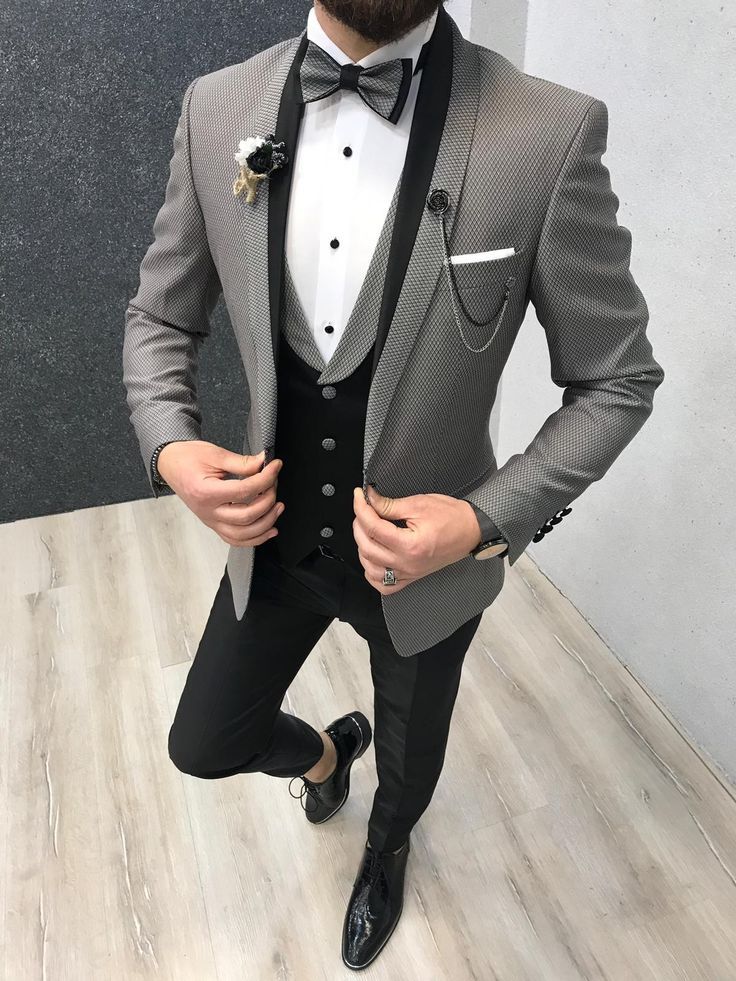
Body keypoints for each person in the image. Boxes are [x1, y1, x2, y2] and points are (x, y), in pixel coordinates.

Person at [122, 0, 665, 969]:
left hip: (429, 571)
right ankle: (330, 754)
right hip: (275, 542)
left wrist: (484, 521)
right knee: (202, 741)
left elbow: (617, 380)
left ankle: (387, 849)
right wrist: (170, 445)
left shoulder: (547, 133)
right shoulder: (216, 108)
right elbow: (161, 319)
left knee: (412, 770)